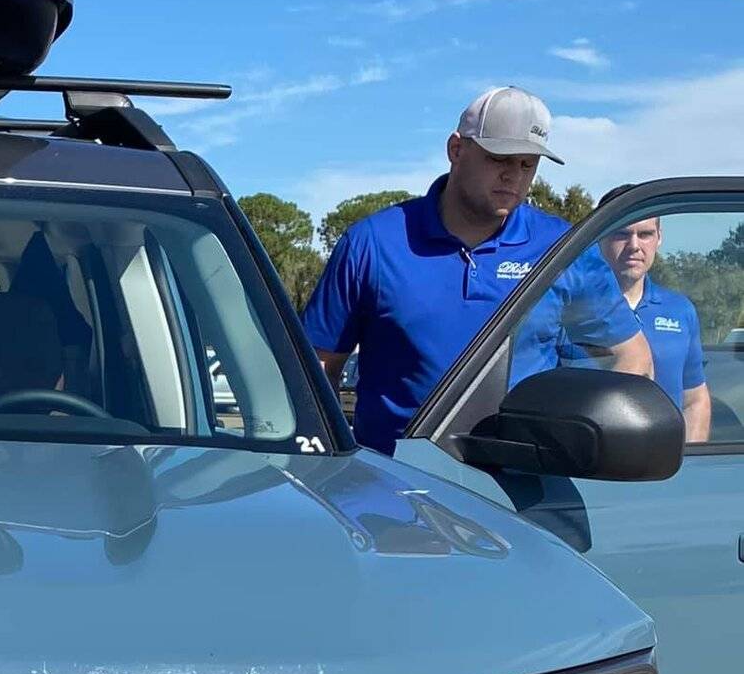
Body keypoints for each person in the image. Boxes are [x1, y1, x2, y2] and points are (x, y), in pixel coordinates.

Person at [302, 87, 652, 452]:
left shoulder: (563, 249)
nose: (514, 176)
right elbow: (319, 369)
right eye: (499, 158)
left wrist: (585, 447)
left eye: (527, 164)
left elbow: (633, 356)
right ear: (456, 149)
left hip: (528, 491)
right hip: (396, 491)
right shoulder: (373, 243)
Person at [596, 217, 709, 443]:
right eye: (622, 234)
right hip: (590, 465)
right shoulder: (574, 310)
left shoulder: (680, 310)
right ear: (600, 239)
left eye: (645, 234)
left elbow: (695, 400)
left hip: (664, 468)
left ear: (659, 238)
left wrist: (687, 464)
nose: (634, 246)